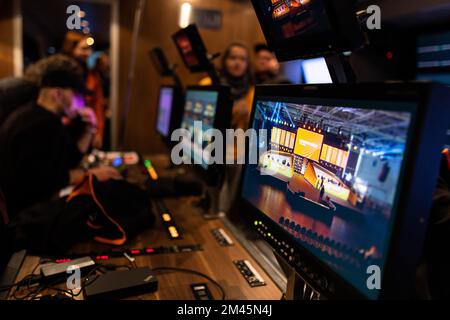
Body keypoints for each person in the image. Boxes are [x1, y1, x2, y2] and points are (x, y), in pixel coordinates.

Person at [0, 55, 121, 219]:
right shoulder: (42, 124)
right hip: (28, 217)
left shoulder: (37, 116)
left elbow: (68, 160)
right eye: (77, 96)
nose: (81, 103)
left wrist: (89, 129)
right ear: (58, 94)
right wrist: (90, 175)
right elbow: (41, 181)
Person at [62, 31, 105, 149]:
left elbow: (97, 104)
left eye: (89, 49)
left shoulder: (92, 75)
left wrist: (98, 132)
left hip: (85, 127)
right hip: (64, 130)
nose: (89, 53)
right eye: (84, 49)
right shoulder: (61, 72)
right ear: (71, 48)